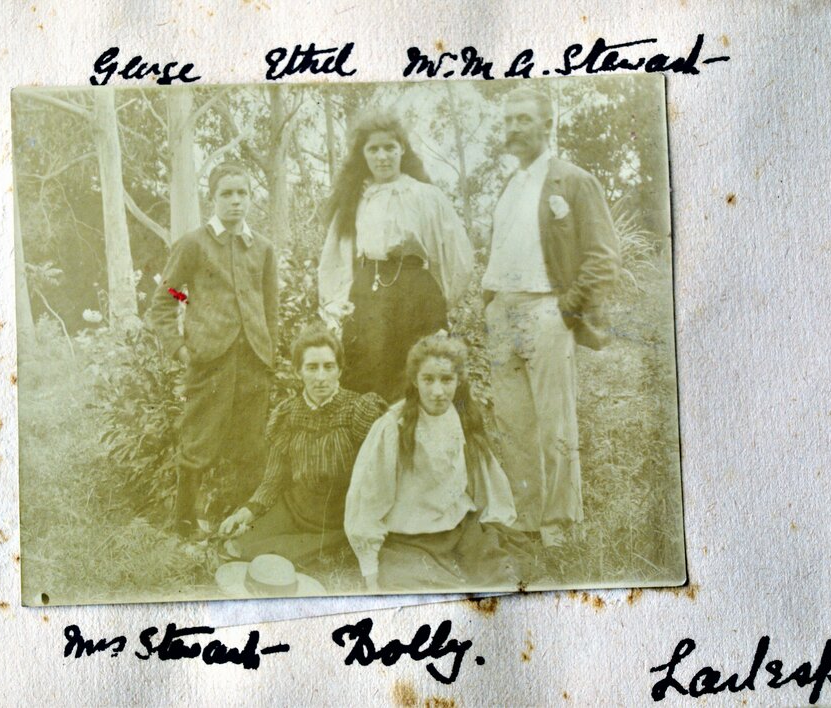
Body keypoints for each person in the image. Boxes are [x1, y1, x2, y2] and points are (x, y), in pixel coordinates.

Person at [482, 87, 620, 548]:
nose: (514, 129)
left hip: (546, 309)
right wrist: (491, 304)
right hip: (503, 311)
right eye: (508, 121)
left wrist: (566, 309)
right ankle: (526, 520)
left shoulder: (573, 181)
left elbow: (603, 257)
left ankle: (559, 526)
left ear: (547, 125)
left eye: (523, 119)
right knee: (513, 421)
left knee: (554, 423)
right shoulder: (510, 185)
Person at [145, 162, 279, 541]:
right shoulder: (194, 245)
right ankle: (185, 525)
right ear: (213, 198)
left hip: (254, 360)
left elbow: (271, 307)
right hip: (209, 361)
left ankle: (238, 527)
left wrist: (270, 353)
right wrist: (179, 349)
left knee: (251, 445)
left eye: (243, 193)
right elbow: (168, 295)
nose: (236, 201)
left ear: (251, 198)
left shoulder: (262, 248)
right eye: (227, 194)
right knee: (199, 441)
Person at [318, 109, 474, 403]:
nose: (382, 156)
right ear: (362, 154)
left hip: (416, 296)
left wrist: (438, 301)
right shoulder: (355, 200)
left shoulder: (425, 196)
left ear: (402, 148)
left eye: (389, 147)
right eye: (373, 149)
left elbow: (456, 256)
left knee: (416, 379)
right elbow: (335, 259)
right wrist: (337, 307)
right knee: (368, 376)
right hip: (367, 297)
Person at [344, 334, 517, 593]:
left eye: (447, 380)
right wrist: (370, 568)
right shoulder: (394, 426)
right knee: (422, 591)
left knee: (503, 579)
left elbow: (487, 479)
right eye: (428, 380)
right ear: (415, 381)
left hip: (459, 527)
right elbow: (371, 495)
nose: (438, 392)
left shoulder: (463, 419)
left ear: (458, 381)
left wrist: (492, 521)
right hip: (411, 537)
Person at [218, 323, 386, 576]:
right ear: (298, 371)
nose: (321, 377)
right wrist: (247, 511)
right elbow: (272, 480)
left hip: (339, 519)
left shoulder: (359, 410)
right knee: (235, 548)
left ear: (340, 369)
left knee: (281, 560)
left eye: (329, 367)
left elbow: (381, 475)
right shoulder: (287, 414)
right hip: (294, 510)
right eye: (312, 367)